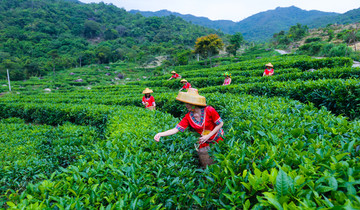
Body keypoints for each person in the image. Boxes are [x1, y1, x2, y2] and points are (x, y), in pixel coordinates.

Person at [154, 88, 224, 168]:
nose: (186, 106)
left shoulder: (209, 110)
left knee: (220, 161)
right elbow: (176, 129)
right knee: (206, 163)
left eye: (188, 103)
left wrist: (208, 135)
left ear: (194, 103)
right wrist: (160, 134)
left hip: (217, 138)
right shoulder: (188, 117)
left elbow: (220, 123)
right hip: (205, 141)